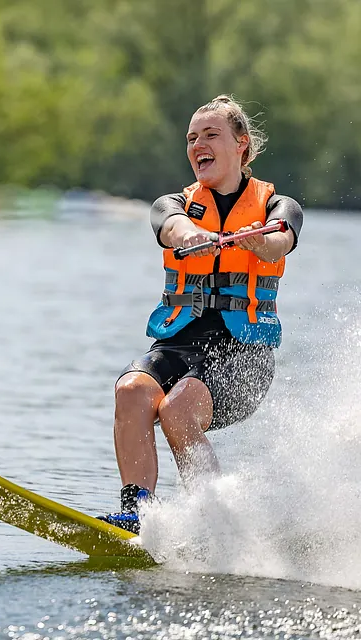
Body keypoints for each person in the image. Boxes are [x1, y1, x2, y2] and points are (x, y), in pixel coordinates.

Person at [98, 95, 303, 534]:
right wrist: (196, 234)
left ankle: (211, 524)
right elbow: (172, 227)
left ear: (241, 145)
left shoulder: (277, 207)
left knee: (177, 407)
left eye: (211, 135)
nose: (198, 145)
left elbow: (280, 240)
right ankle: (138, 514)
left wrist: (256, 241)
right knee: (132, 390)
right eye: (192, 138)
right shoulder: (171, 203)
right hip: (180, 343)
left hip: (244, 356)